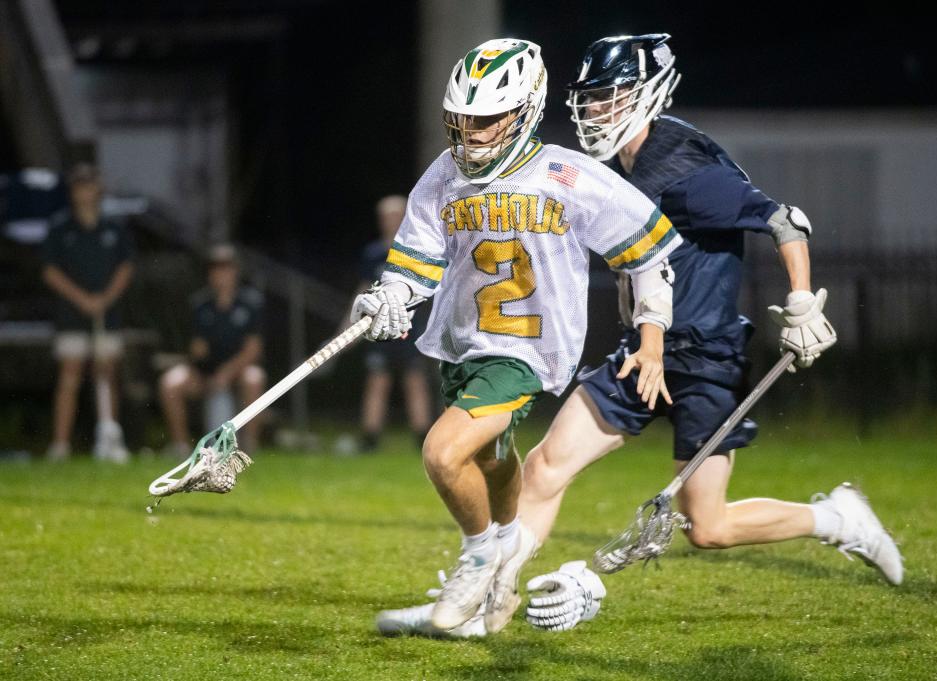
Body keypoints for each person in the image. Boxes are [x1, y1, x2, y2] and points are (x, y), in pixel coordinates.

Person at [380, 34, 901, 639]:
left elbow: (784, 220)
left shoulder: (683, 166)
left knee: (706, 526)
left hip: (704, 356)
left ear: (647, 93)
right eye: (591, 98)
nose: (596, 111)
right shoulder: (610, 164)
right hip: (642, 351)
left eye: (610, 98)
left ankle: (837, 518)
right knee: (545, 467)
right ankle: (489, 601)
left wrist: (803, 301)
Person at [355, 37, 681, 633]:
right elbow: (417, 260)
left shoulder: (565, 174)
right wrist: (390, 297)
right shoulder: (444, 175)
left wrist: (651, 335)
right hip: (461, 343)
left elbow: (648, 254)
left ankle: (478, 557)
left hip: (523, 351)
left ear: (524, 109)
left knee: (442, 452)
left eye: (487, 119)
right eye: (464, 119)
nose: (472, 131)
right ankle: (502, 562)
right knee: (493, 458)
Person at [42, 163, 134, 462]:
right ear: (73, 192)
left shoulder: (114, 226)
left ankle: (109, 440)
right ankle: (60, 445)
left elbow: (125, 267)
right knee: (69, 376)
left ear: (98, 188)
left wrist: (105, 298)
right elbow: (50, 271)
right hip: (71, 314)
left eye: (89, 185)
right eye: (79, 186)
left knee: (106, 373)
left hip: (106, 313)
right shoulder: (60, 227)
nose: (85, 192)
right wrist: (81, 299)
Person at [158, 244, 266, 455]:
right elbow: (196, 350)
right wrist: (204, 368)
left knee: (255, 378)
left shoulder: (251, 303)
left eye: (226, 268)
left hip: (236, 372)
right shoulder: (199, 305)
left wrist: (226, 373)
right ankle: (181, 446)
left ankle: (249, 446)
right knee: (170, 383)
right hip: (204, 372)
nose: (221, 274)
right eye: (216, 269)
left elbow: (253, 350)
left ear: (235, 271)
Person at [350, 195, 433, 452]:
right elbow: (363, 291)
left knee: (414, 380)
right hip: (380, 329)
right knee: (378, 380)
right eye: (385, 217)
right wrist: (349, 327)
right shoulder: (374, 254)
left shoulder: (416, 251)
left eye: (395, 216)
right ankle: (370, 438)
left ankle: (423, 438)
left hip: (411, 325)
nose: (390, 221)